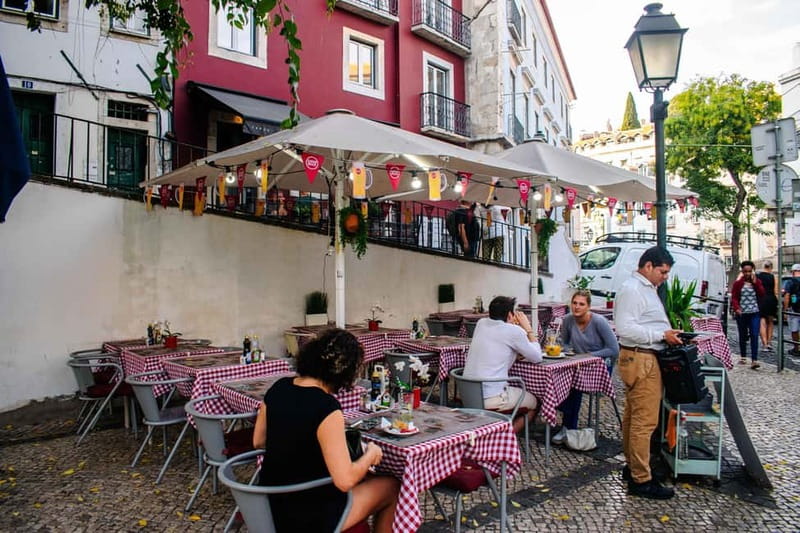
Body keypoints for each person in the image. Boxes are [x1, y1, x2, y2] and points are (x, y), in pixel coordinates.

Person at [253, 329, 399, 532]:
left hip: (267, 503)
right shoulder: (327, 407)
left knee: (366, 478)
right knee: (391, 486)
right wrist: (371, 455)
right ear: (345, 372)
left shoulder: (279, 387)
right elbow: (345, 481)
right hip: (306, 516)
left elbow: (258, 442)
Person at [614, 246, 683, 500]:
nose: (665, 277)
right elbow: (625, 328)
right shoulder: (633, 289)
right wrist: (660, 335)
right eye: (662, 272)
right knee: (644, 422)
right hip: (642, 357)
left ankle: (634, 466)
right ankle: (641, 479)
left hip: (641, 356)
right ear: (648, 266)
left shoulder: (643, 288)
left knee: (634, 419)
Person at [463, 296, 542, 433]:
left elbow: (500, 345)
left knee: (514, 391)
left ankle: (495, 431)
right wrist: (528, 329)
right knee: (536, 402)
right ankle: (505, 438)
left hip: (468, 394)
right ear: (510, 314)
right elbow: (537, 357)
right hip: (490, 397)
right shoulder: (514, 331)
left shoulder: (481, 323)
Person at [551, 290, 619, 445]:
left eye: (581, 304)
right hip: (578, 363)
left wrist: (590, 355)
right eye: (574, 303)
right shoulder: (568, 320)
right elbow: (564, 343)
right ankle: (565, 420)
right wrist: (568, 351)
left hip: (600, 366)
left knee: (573, 384)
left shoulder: (599, 322)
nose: (577, 307)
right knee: (559, 377)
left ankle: (568, 427)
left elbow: (614, 349)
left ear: (588, 306)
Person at [731, 260, 765, 369]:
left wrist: (755, 283)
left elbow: (762, 293)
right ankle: (743, 356)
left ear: (753, 271)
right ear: (742, 271)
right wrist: (737, 308)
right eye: (745, 271)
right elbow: (734, 297)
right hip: (742, 313)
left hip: (754, 312)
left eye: (749, 271)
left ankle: (754, 360)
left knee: (754, 334)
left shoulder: (757, 282)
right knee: (743, 335)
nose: (747, 273)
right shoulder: (738, 283)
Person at [756, 260, 778, 352]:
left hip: (761, 299)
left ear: (763, 266)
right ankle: (769, 342)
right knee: (770, 321)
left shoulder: (758, 276)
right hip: (771, 299)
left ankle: (764, 344)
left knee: (762, 321)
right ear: (771, 267)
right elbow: (776, 291)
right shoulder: (773, 277)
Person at [783, 264, 800, 357]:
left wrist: (785, 310)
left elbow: (787, 296)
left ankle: (797, 348)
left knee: (794, 329)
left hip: (794, 309)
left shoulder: (790, 282)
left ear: (793, 272)